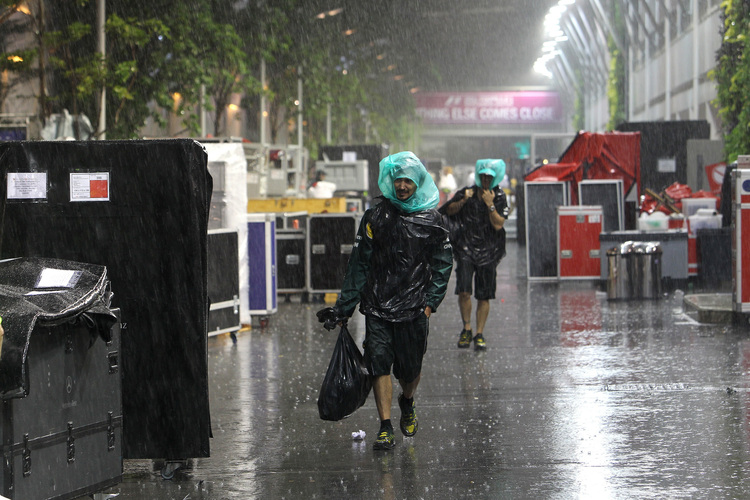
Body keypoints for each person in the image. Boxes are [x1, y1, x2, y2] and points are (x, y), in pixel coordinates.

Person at [317, 151, 453, 451]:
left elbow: (444, 263)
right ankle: (385, 426)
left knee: (410, 370)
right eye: (398, 179)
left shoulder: (432, 220)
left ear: (417, 182)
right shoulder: (375, 217)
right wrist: (344, 308)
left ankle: (408, 400)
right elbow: (359, 265)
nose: (402, 185)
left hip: (415, 309)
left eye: (408, 180)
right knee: (379, 364)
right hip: (378, 307)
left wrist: (431, 303)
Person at [439, 159, 509, 350]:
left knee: (484, 295)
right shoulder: (467, 193)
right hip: (466, 249)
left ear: (494, 178)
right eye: (483, 176)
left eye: (489, 177)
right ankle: (467, 328)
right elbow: (447, 211)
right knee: (464, 291)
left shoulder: (499, 196)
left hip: (488, 251)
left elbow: (498, 224)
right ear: (479, 176)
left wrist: (490, 204)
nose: (486, 180)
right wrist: (463, 200)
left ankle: (479, 333)